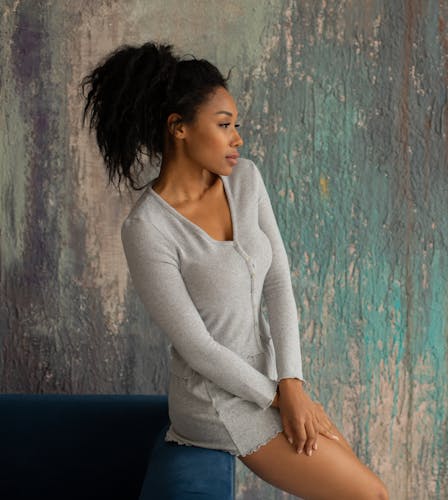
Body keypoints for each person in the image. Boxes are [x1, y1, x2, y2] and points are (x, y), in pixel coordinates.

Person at [81, 42, 388, 499]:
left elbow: (278, 281)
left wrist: (292, 381)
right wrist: (278, 398)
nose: (237, 138)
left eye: (235, 126)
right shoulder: (147, 229)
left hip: (271, 381)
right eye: (223, 126)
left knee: (370, 492)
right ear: (178, 128)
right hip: (217, 401)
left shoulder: (246, 180)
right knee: (369, 496)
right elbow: (198, 347)